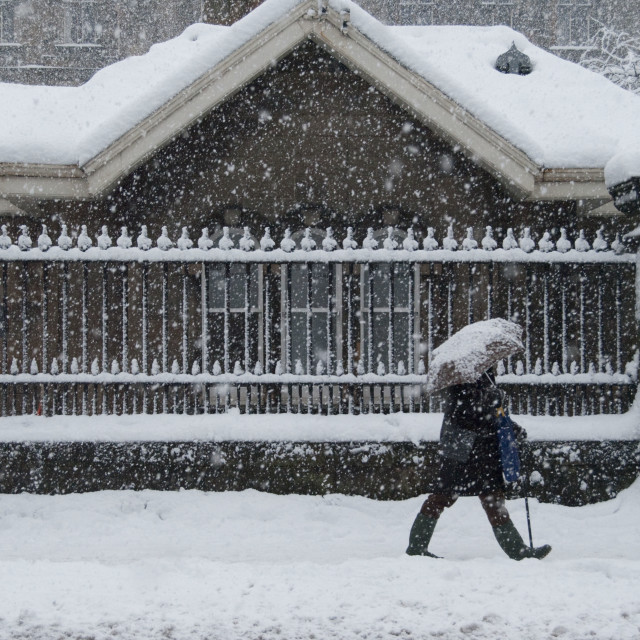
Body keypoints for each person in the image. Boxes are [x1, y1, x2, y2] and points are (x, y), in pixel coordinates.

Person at [406, 369, 551, 560]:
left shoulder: (486, 380)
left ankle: (518, 551)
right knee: (441, 497)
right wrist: (491, 405)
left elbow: (492, 415)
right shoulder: (462, 382)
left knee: (493, 500)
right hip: (461, 453)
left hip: (482, 454)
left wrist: (510, 426)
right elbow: (467, 416)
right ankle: (416, 547)